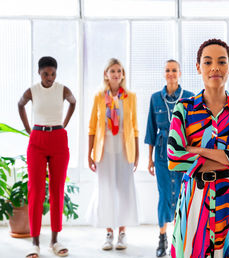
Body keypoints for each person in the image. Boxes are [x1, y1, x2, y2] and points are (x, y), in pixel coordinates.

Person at [167, 38, 229, 258]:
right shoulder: (184, 109)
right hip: (194, 200)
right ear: (198, 67)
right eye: (208, 61)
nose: (215, 68)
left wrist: (196, 150)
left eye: (222, 62)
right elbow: (174, 158)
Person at [18, 56, 76, 258]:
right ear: (39, 73)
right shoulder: (33, 90)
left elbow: (73, 101)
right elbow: (20, 104)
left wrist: (64, 122)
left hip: (59, 139)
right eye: (45, 74)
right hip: (37, 140)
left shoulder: (62, 89)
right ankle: (34, 243)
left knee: (57, 189)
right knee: (36, 190)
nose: (49, 77)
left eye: (52, 73)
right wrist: (28, 127)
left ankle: (54, 241)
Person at [87, 58, 139, 251]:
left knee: (124, 190)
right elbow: (92, 126)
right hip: (104, 149)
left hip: (125, 149)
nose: (116, 74)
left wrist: (137, 154)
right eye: (112, 71)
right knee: (106, 189)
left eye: (119, 71)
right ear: (106, 74)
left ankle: (122, 233)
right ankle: (109, 233)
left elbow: (134, 128)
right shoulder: (99, 97)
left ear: (123, 74)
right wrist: (89, 153)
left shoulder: (130, 97)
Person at [144, 59, 194, 257]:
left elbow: (194, 130)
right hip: (162, 155)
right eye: (168, 70)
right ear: (164, 73)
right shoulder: (155, 98)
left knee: (184, 196)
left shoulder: (189, 97)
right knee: (164, 195)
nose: (171, 73)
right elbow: (150, 129)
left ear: (180, 73)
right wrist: (150, 159)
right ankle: (162, 238)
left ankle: (181, 239)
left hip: (183, 153)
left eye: (174, 70)